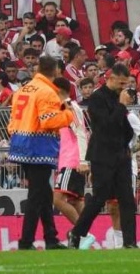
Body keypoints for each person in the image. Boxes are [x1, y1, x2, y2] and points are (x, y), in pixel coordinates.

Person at [68, 63, 138, 250]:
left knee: (127, 200)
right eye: (121, 83)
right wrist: (122, 106)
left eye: (126, 84)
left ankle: (129, 242)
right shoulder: (97, 98)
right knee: (99, 199)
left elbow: (124, 128)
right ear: (111, 78)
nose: (124, 88)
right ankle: (77, 232)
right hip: (102, 156)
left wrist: (126, 143)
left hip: (121, 156)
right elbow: (106, 127)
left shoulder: (118, 98)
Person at [8, 55, 73, 250]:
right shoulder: (47, 92)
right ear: (55, 71)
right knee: (37, 195)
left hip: (21, 143)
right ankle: (26, 241)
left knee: (44, 193)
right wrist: (68, 114)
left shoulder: (23, 89)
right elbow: (49, 121)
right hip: (39, 146)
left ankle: (51, 238)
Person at [52, 78, 90, 232]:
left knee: (58, 199)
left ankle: (81, 233)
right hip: (69, 159)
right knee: (76, 201)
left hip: (72, 160)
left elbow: (81, 132)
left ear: (58, 90)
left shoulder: (69, 107)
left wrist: (83, 160)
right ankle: (87, 235)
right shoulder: (64, 107)